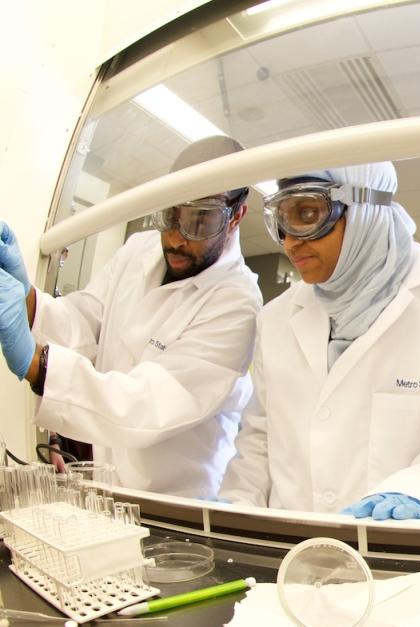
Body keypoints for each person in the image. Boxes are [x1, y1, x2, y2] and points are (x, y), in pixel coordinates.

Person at [219, 163, 420, 521]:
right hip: (293, 545)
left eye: (308, 214)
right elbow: (260, 436)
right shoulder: (276, 317)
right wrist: (238, 506)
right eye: (282, 219)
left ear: (365, 209)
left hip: (404, 550)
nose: (291, 240)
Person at [0, 135, 261, 498]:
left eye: (199, 222)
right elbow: (84, 318)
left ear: (236, 217)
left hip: (175, 506)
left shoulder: (238, 303)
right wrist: (25, 299)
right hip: (107, 485)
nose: (176, 239)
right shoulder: (140, 248)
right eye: (170, 215)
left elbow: (148, 405)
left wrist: (36, 365)